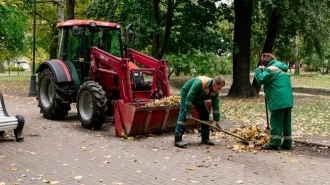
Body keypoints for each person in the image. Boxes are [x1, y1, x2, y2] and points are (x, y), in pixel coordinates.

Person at [254, 53, 294, 150]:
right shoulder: (282, 67)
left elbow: (260, 79)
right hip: (288, 99)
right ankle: (287, 143)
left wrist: (259, 70)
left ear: (264, 63)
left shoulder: (270, 69)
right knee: (286, 122)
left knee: (276, 122)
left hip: (278, 100)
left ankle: (275, 143)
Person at [174, 76, 225, 148]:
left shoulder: (215, 91)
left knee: (205, 113)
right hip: (187, 94)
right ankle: (178, 139)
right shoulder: (200, 82)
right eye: (219, 88)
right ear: (214, 83)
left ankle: (205, 138)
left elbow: (216, 106)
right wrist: (188, 112)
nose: (219, 90)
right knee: (184, 113)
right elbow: (190, 96)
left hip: (198, 97)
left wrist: (217, 122)